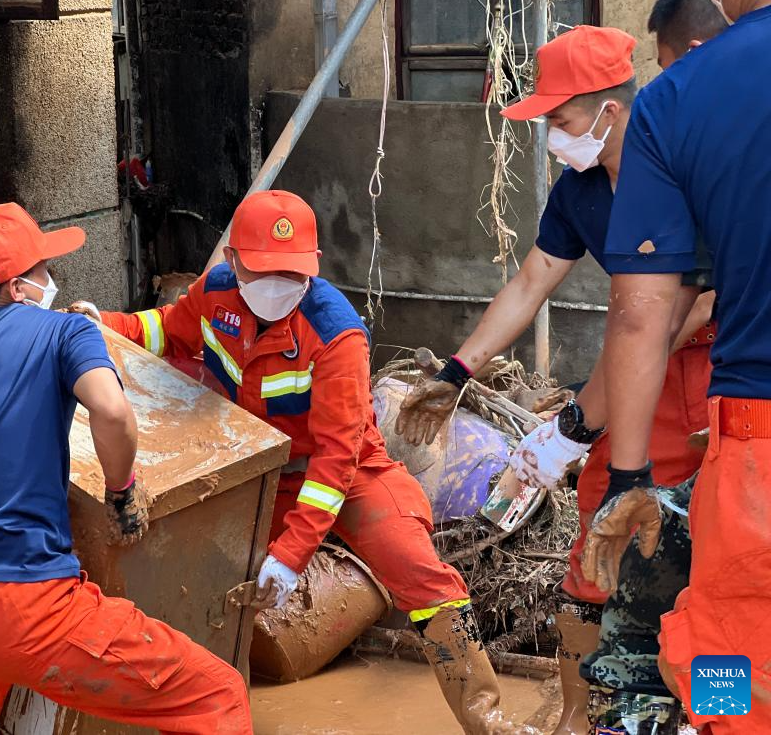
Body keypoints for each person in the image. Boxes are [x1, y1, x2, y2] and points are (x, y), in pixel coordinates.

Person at [98, 189, 536, 735]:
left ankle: (486, 719)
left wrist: (290, 554)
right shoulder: (214, 295)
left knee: (419, 572)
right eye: (265, 272)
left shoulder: (336, 333)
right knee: (196, 576)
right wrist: (98, 325)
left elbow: (336, 459)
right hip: (257, 473)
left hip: (351, 473)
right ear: (233, 261)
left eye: (294, 273)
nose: (281, 286)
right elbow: (164, 329)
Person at [394, 21, 720, 735]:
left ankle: (716, 716)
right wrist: (456, 371)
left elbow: (687, 309)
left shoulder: (687, 167)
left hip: (722, 369)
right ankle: (576, 718)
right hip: (643, 367)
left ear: (610, 106)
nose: (552, 134)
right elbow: (531, 282)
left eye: (561, 117)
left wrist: (577, 421)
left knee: (719, 563)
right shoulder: (579, 192)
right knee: (600, 536)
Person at [0, 202, 252, 734]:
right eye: (43, 270)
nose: (51, 279)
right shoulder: (63, 333)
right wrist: (121, 492)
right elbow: (113, 410)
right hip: (28, 609)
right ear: (17, 288)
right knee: (216, 693)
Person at [589, 0, 771, 730]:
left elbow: (640, 313)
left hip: (757, 433)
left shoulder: (680, 97)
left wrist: (629, 478)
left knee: (729, 648)